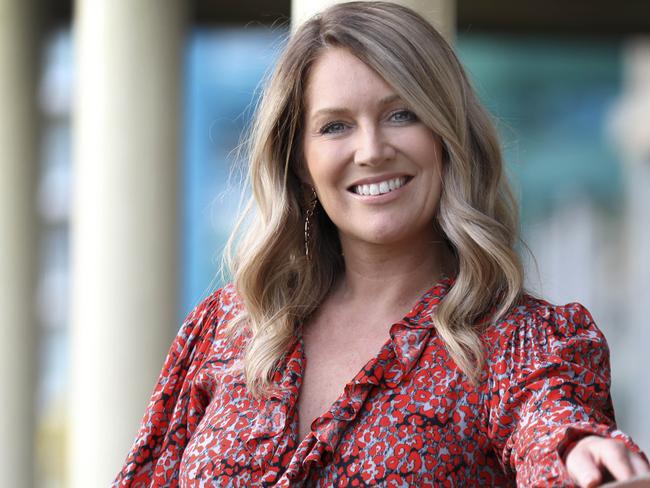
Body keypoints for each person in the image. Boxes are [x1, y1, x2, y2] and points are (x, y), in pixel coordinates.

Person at [114, 2, 649, 486]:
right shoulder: (225, 329)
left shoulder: (517, 343)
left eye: (401, 114)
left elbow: (551, 421)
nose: (371, 150)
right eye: (335, 126)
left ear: (446, 136)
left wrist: (583, 454)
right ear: (300, 161)